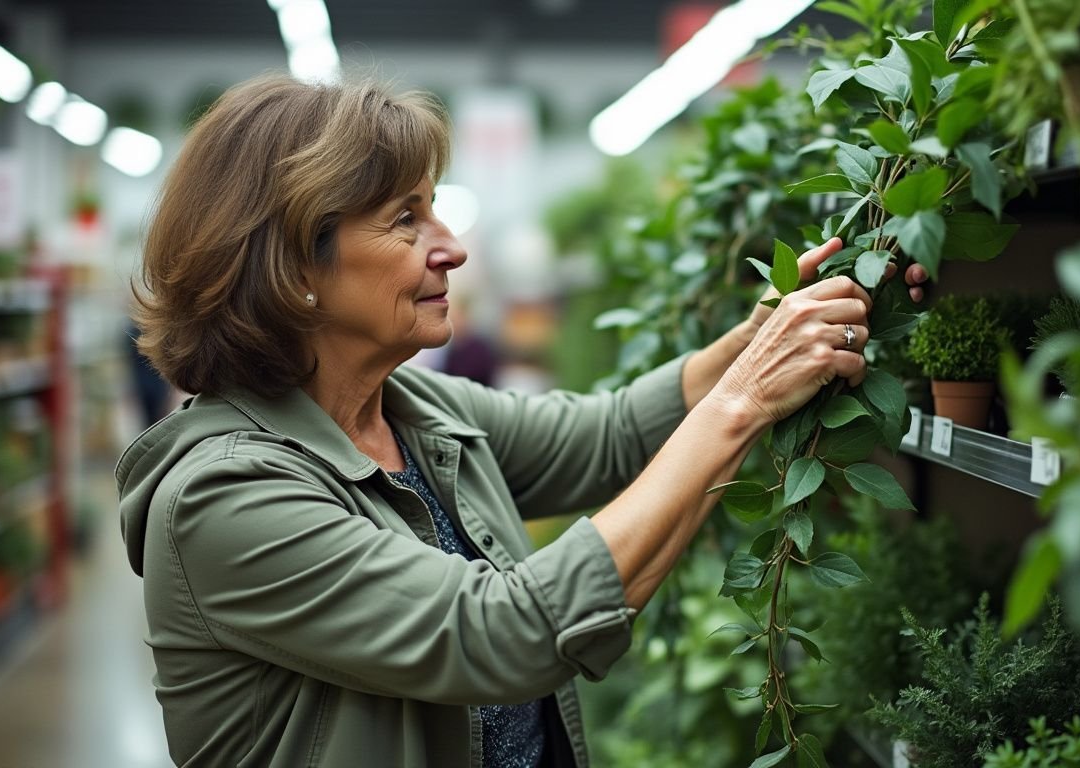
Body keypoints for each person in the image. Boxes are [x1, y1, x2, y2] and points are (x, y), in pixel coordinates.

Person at [116, 75, 928, 768]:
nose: (453, 248)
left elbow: (612, 436)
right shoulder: (224, 497)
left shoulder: (414, 412)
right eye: (407, 220)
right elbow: (498, 635)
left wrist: (775, 330)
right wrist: (745, 398)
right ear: (295, 267)